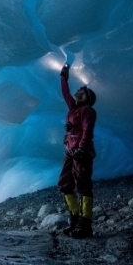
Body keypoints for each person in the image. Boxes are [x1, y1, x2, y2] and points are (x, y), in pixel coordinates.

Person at [58, 63, 97, 238]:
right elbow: (66, 94)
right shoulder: (74, 108)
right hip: (70, 151)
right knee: (65, 184)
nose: (79, 89)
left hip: (81, 152)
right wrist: (63, 77)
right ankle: (74, 219)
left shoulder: (87, 110)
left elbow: (88, 130)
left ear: (86, 98)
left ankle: (85, 224)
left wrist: (81, 148)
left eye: (82, 90)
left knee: (83, 186)